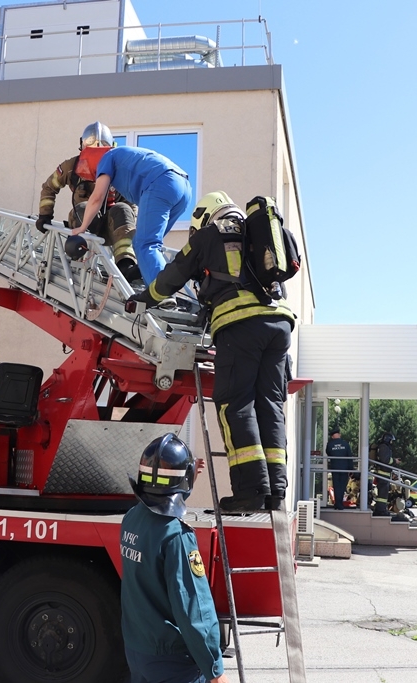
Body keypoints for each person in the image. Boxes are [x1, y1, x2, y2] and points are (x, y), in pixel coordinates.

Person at [129, 193, 295, 513]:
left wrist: (145, 297)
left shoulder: (209, 235)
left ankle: (250, 490)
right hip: (280, 325)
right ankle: (276, 491)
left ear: (206, 216)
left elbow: (173, 275)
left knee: (236, 403)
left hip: (240, 324)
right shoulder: (258, 236)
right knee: (270, 406)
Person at [119, 433, 230, 683]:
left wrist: (184, 479)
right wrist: (215, 669)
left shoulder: (132, 519)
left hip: (138, 651)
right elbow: (194, 609)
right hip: (172, 662)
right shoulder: (176, 536)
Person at [35, 121, 141, 281]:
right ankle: (81, 259)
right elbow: (49, 187)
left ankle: (125, 265)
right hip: (82, 224)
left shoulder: (119, 169)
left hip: (111, 226)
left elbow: (131, 202)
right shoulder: (71, 167)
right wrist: (45, 215)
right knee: (84, 207)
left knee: (123, 209)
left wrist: (131, 226)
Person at [78, 146, 192, 284]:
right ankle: (149, 276)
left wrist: (82, 227)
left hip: (161, 184)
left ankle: (161, 291)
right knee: (150, 244)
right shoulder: (123, 156)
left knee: (145, 244)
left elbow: (97, 197)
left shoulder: (106, 159)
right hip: (183, 188)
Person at [326, 429, 355, 511]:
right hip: (344, 469)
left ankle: (337, 504)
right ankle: (339, 504)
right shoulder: (345, 444)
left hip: (335, 468)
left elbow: (328, 453)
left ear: (332, 436)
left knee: (336, 486)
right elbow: (349, 457)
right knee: (342, 486)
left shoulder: (330, 444)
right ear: (339, 435)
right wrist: (351, 469)